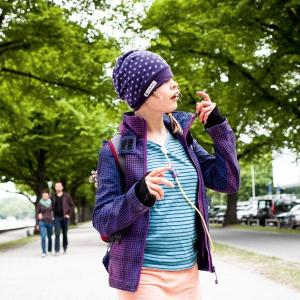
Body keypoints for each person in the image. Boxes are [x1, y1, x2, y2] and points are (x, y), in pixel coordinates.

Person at [92, 50, 240, 299]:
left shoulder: (183, 140)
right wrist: (138, 195)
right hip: (144, 276)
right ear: (144, 92)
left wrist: (218, 127)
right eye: (163, 81)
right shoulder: (116, 150)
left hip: (188, 273)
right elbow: (102, 219)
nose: (174, 84)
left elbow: (227, 181)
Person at [52, 181, 74, 255]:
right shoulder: (53, 196)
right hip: (56, 217)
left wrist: (68, 214)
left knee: (65, 234)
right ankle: (57, 250)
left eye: (59, 186)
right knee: (57, 233)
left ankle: (65, 247)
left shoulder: (66, 196)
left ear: (62, 187)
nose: (58, 187)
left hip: (65, 217)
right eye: (56, 186)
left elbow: (72, 206)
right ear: (55, 188)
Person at [37, 190, 53, 257]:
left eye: (46, 195)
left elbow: (54, 210)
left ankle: (49, 250)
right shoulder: (39, 203)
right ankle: (43, 251)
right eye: (44, 196)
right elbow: (37, 213)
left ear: (48, 196)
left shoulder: (51, 202)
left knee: (49, 237)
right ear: (42, 196)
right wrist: (37, 223)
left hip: (50, 222)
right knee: (43, 237)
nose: (45, 197)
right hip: (42, 222)